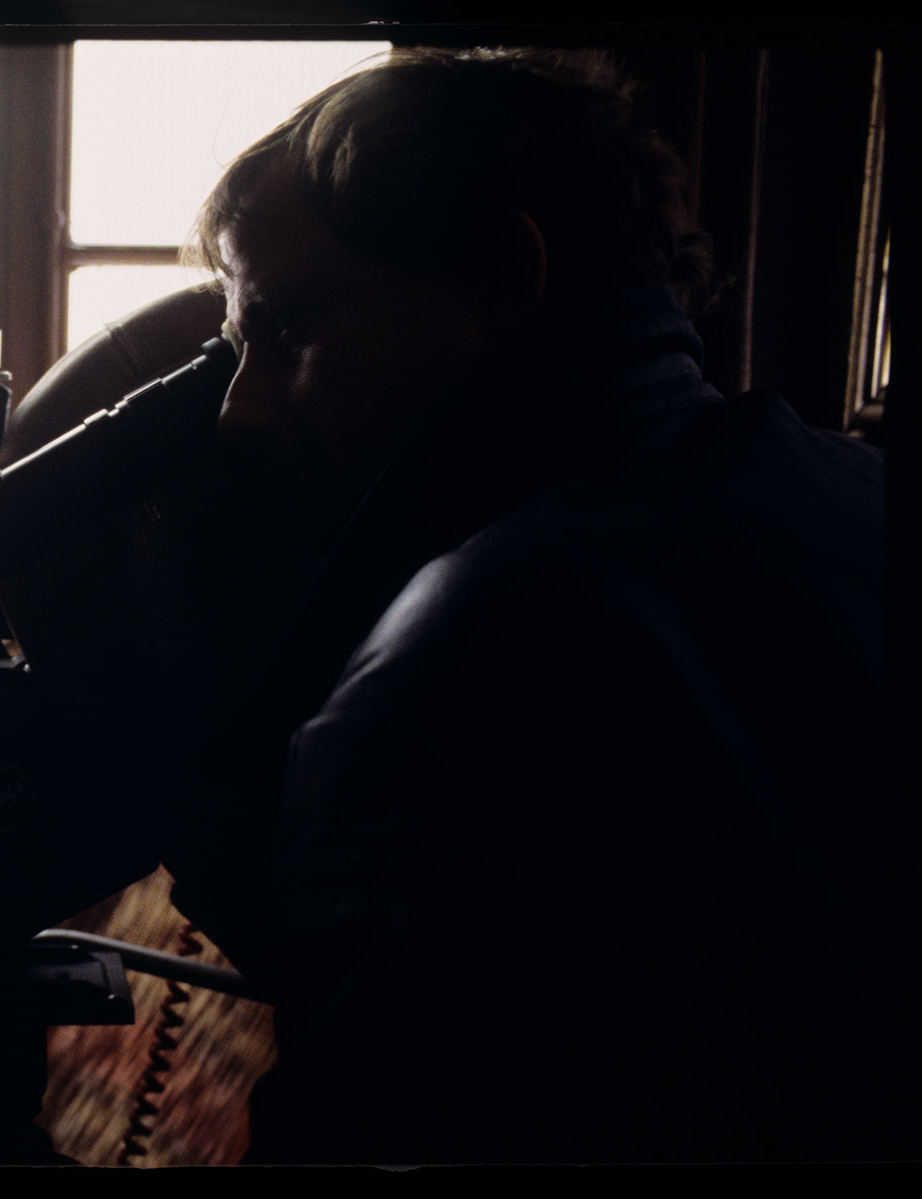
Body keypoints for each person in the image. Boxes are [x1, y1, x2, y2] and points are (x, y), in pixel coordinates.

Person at [122, 46, 910, 1165]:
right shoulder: (856, 489)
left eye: (289, 329)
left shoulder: (462, 657)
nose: (240, 412)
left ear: (500, 277)